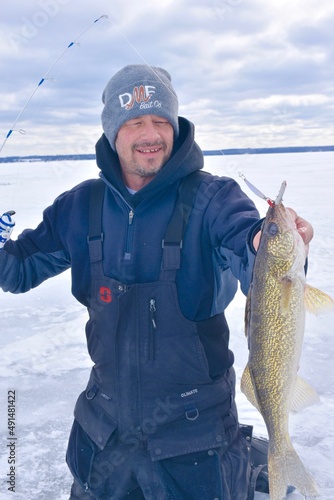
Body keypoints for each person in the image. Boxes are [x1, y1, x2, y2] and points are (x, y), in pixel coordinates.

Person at [0, 65, 313, 500]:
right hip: (103, 437)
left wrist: (264, 244)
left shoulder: (214, 200)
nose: (151, 133)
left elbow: (248, 251)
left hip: (196, 442)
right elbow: (17, 270)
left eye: (161, 120)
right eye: (135, 121)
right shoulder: (79, 207)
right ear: (113, 131)